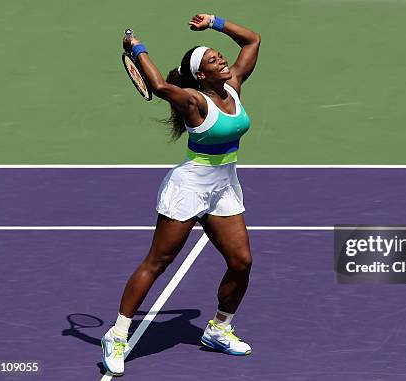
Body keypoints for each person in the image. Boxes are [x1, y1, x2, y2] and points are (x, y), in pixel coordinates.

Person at [101, 13, 261, 376]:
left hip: (223, 185)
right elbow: (158, 85)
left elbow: (252, 41)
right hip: (189, 187)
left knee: (241, 262)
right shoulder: (192, 101)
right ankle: (117, 334)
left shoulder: (233, 84)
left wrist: (215, 22)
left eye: (220, 56)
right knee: (159, 261)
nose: (221, 60)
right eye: (211, 61)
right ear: (200, 76)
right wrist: (135, 46)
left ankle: (219, 329)